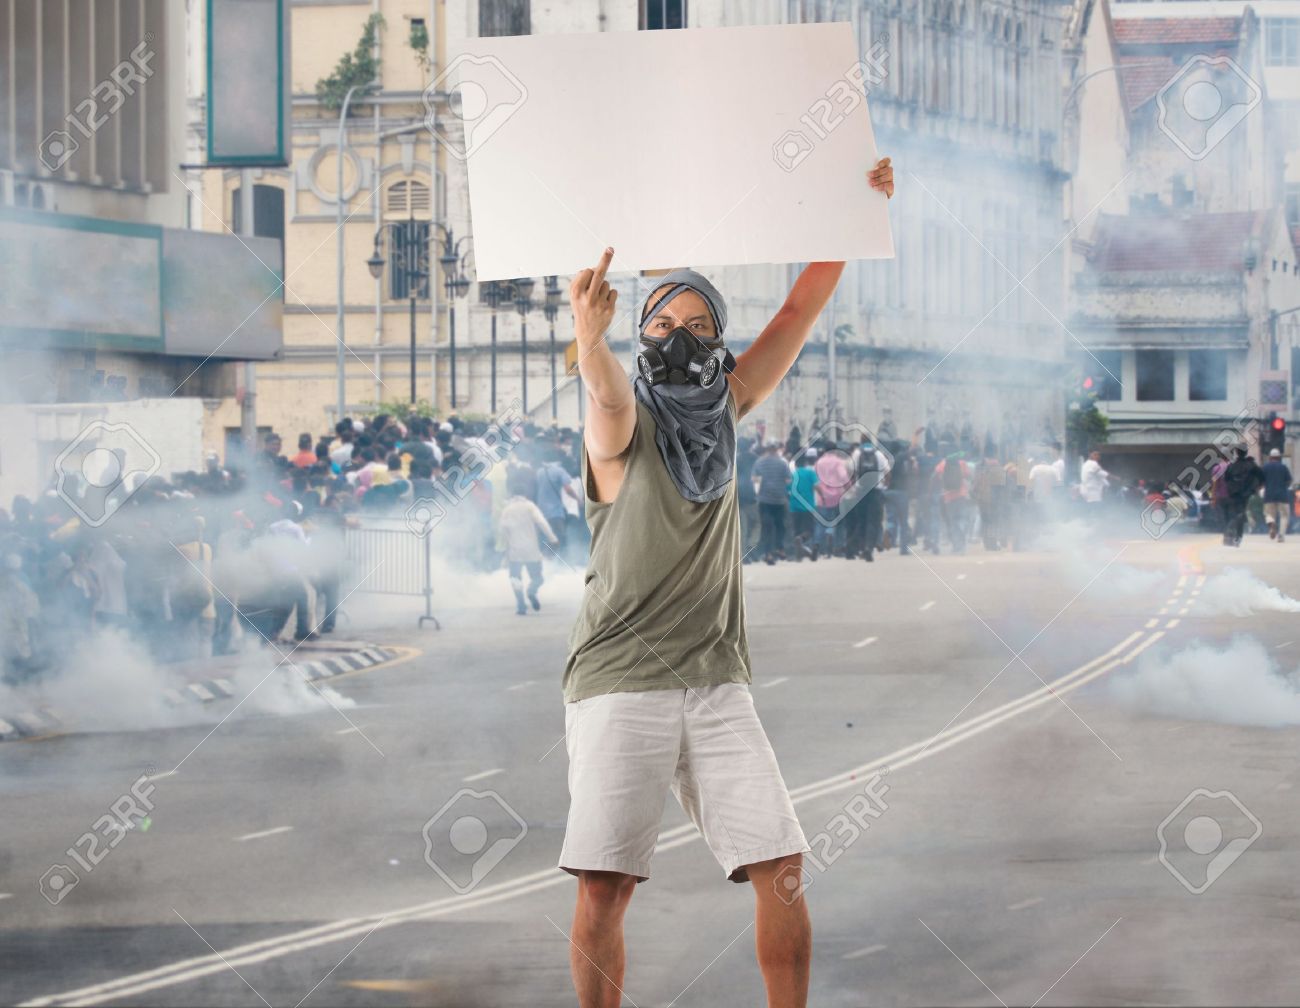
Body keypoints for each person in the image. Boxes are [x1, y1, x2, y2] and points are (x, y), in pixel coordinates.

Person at [555, 150, 890, 1008]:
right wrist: (590, 342)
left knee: (781, 869)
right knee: (605, 888)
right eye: (663, 325)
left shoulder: (730, 413)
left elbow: (799, 306)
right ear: (640, 338)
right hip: (620, 678)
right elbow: (605, 396)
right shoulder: (622, 424)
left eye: (698, 327)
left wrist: (852, 215)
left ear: (720, 345)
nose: (678, 339)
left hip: (713, 680)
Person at [496, 476, 558, 615]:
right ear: (525, 494)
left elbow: (502, 530)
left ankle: (521, 605)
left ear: (512, 494)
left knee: (515, 578)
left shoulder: (507, 509)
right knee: (537, 577)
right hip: (531, 550)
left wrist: (506, 548)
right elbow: (542, 523)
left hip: (514, 551)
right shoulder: (530, 506)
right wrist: (552, 539)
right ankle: (531, 590)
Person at [752, 441, 792, 564]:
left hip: (764, 499)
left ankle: (768, 554)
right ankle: (780, 549)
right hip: (780, 499)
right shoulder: (782, 462)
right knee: (781, 526)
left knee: (766, 528)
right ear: (776, 450)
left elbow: (754, 478)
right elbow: (788, 480)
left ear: (767, 449)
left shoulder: (759, 462)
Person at [1221, 447, 1264, 546]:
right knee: (1241, 514)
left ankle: (1231, 533)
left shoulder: (1232, 466)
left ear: (1236, 452)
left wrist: (1231, 488)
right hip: (1247, 494)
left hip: (1234, 494)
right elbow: (1261, 476)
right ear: (1246, 452)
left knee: (1236, 514)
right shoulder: (1252, 465)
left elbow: (1226, 479)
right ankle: (1237, 536)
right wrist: (1257, 487)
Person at [788, 448, 819, 561]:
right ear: (806, 462)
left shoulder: (793, 474)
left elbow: (788, 489)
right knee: (809, 529)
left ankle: (799, 555)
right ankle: (801, 539)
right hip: (808, 506)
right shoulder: (810, 473)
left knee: (796, 530)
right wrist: (822, 496)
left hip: (794, 506)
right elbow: (816, 486)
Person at [1261, 448, 1292, 543]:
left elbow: (1261, 481)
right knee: (1284, 516)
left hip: (1269, 495)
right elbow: (1289, 480)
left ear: (1270, 457)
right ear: (1279, 457)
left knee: (1268, 514)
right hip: (1282, 495)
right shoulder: (1283, 467)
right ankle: (1281, 535)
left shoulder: (1265, 467)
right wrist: (1284, 486)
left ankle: (1272, 524)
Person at [1079, 450, 1109, 515]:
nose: (1098, 456)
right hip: (1093, 494)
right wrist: (1116, 478)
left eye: (1098, 455)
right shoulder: (1093, 464)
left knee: (1090, 511)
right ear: (1090, 454)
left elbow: (1102, 476)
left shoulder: (1085, 464)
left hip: (1087, 493)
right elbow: (1105, 475)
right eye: (1095, 454)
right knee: (1095, 512)